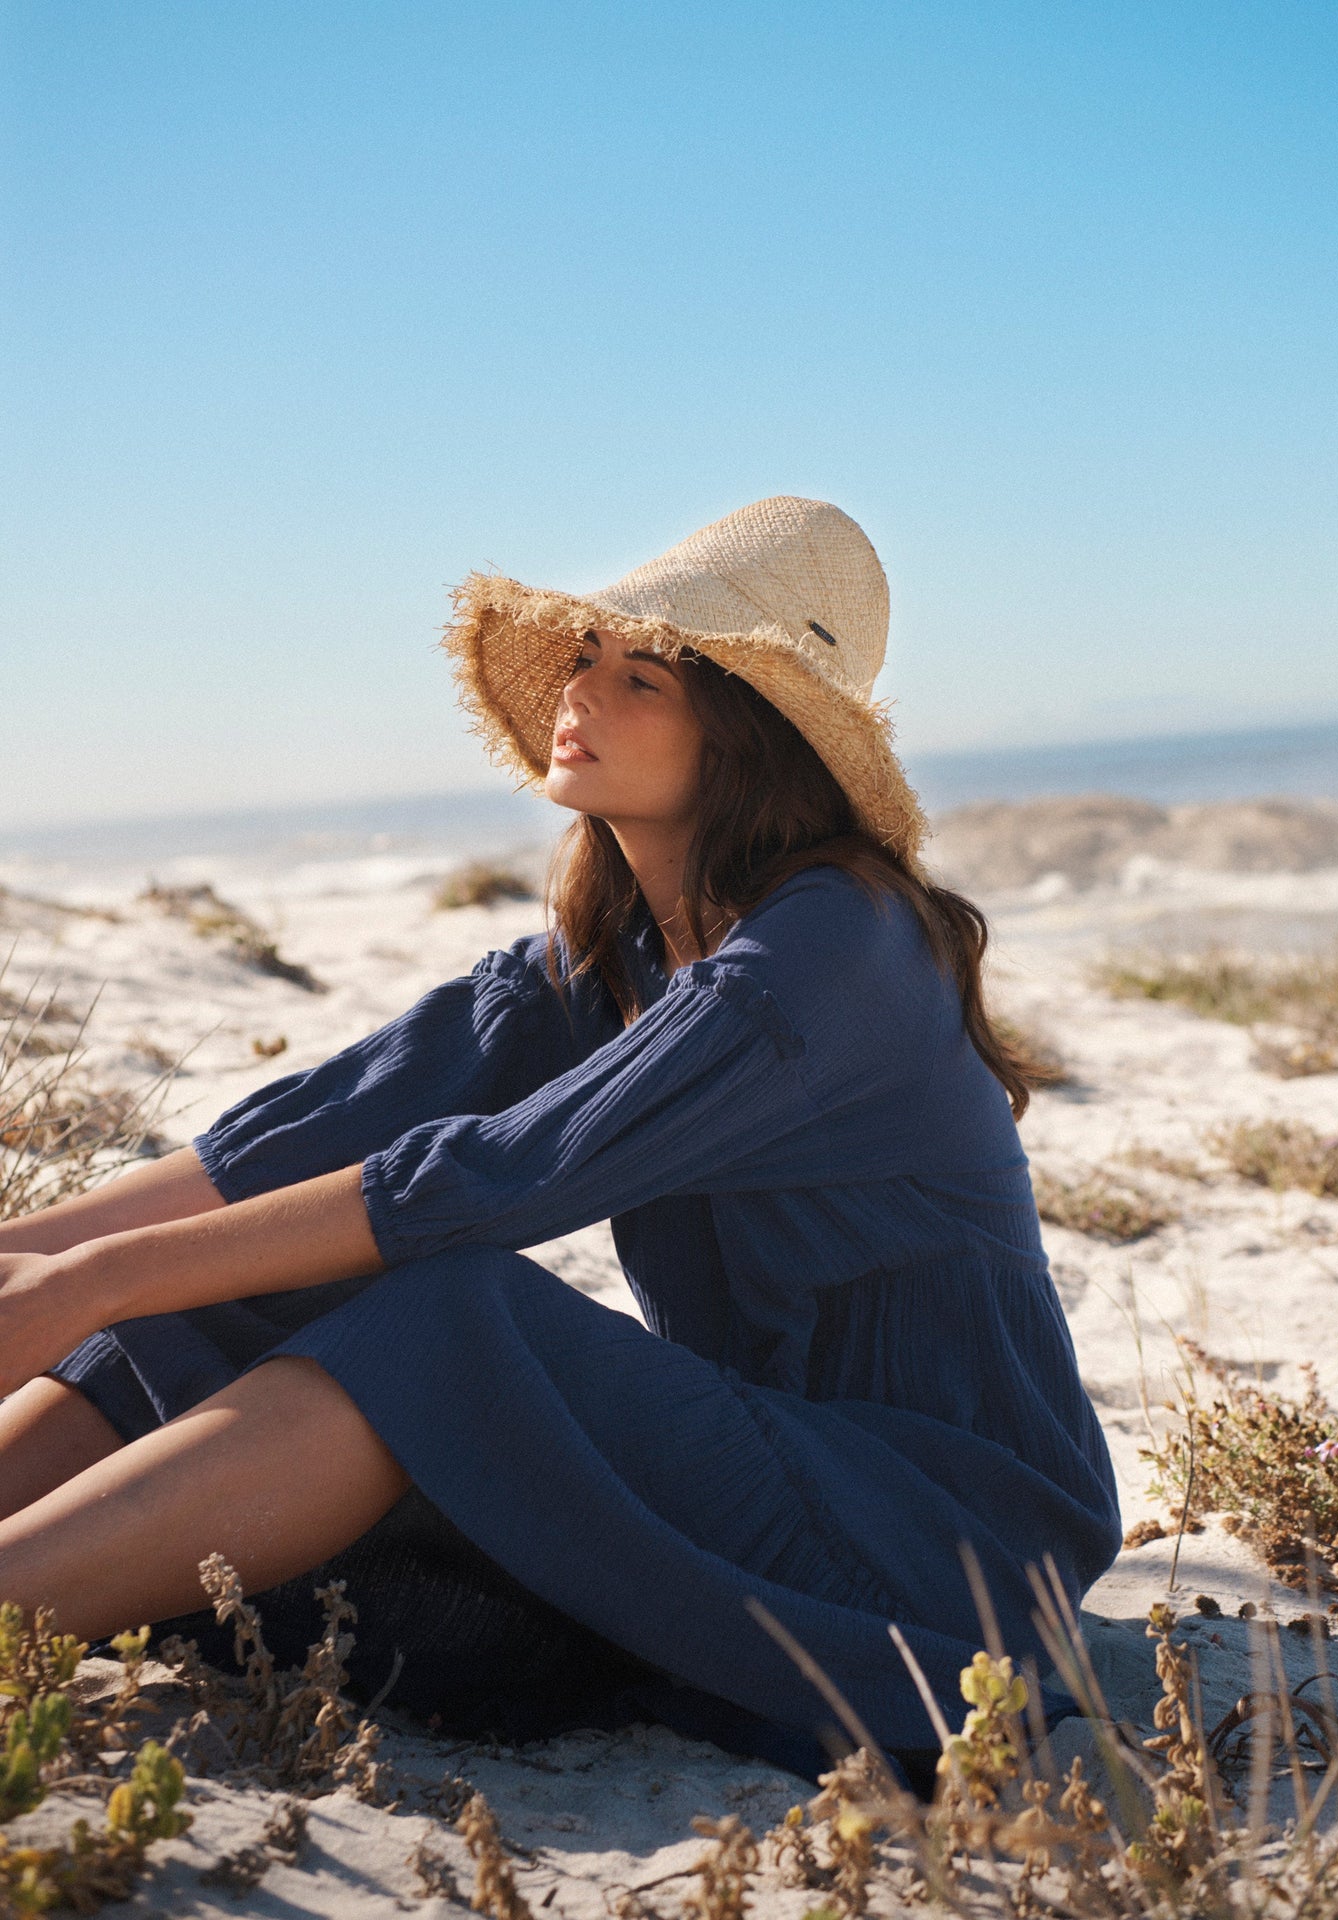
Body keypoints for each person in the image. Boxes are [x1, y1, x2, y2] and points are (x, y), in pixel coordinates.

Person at [0, 496, 1120, 1779]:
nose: (582, 692)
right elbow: (305, 1139)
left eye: (638, 676)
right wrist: (37, 1264)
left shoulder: (831, 952)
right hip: (749, 1469)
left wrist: (89, 1282)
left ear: (749, 740)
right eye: (584, 657)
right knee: (215, 1278)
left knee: (443, 1309)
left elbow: (497, 1180)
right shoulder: (614, 955)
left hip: (949, 1550)